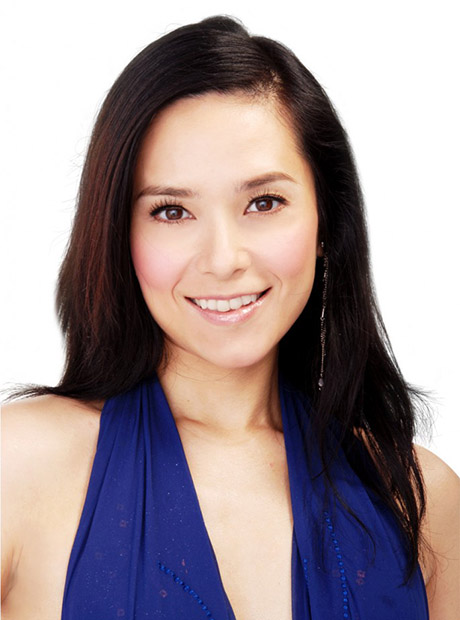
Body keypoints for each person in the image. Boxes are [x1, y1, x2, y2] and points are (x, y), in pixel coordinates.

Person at [1, 15, 459, 620]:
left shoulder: (419, 500)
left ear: (326, 221)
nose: (223, 259)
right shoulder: (18, 467)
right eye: (171, 211)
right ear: (118, 234)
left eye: (263, 202)